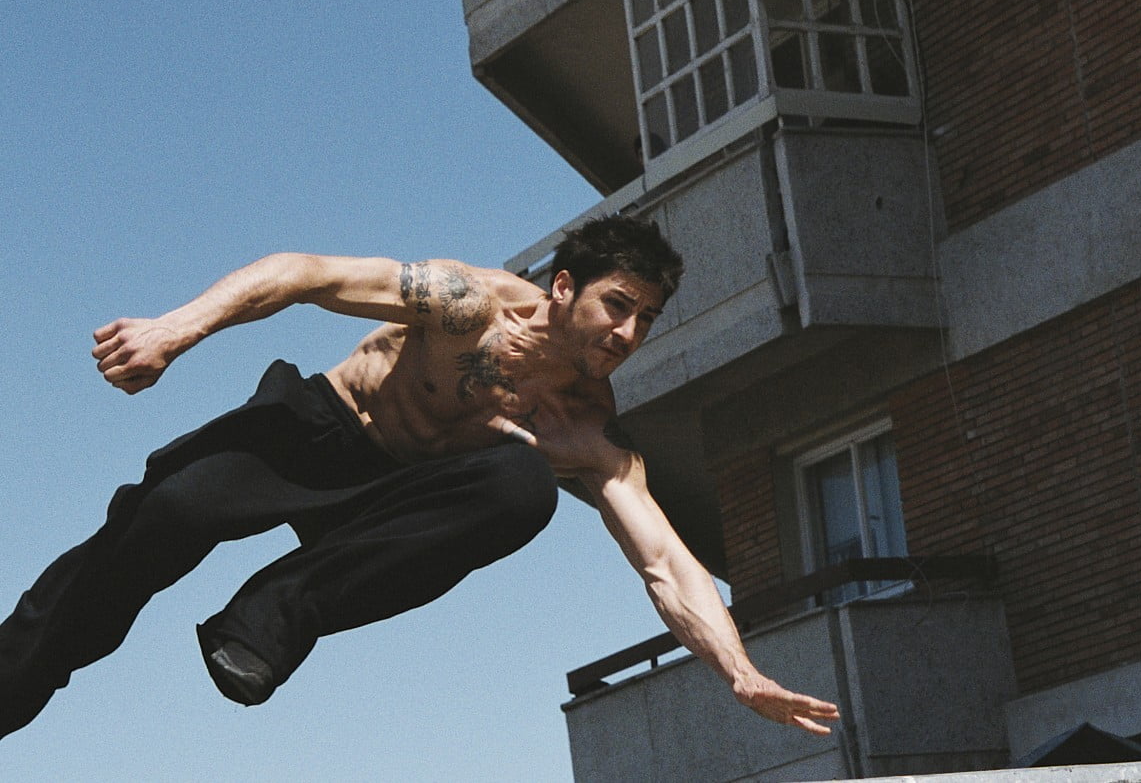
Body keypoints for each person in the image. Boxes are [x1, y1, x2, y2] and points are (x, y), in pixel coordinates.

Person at [0, 215, 839, 740]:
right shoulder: (464, 303)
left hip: (392, 497)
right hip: (316, 431)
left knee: (521, 488)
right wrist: (174, 332)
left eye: (646, 320)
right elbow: (303, 274)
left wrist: (739, 670)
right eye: (616, 305)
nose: (628, 333)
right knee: (158, 524)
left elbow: (664, 557)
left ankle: (267, 619)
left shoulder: (582, 422)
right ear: (563, 288)